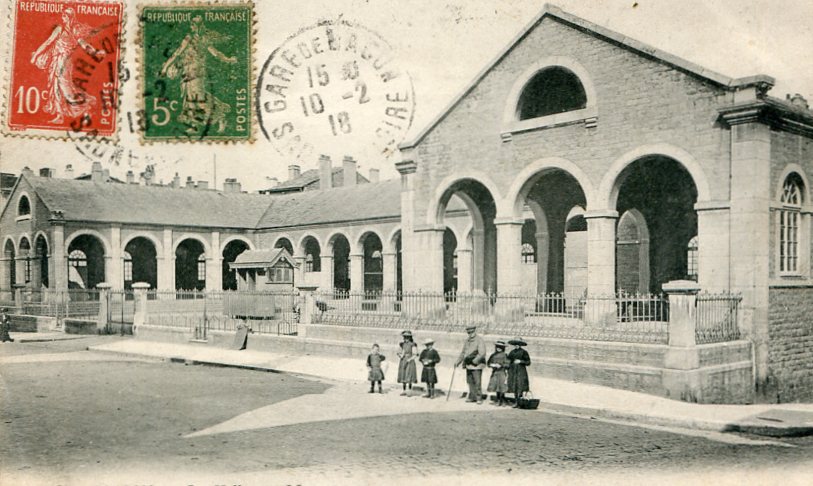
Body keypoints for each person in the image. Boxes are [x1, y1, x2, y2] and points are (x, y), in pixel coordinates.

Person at [159, 15, 237, 134]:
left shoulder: (204, 39)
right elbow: (177, 53)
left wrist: (228, 59)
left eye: (194, 25)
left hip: (198, 73)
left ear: (199, 26)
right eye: (191, 25)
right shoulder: (188, 38)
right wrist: (165, 67)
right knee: (189, 99)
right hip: (186, 72)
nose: (192, 27)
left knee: (199, 98)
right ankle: (194, 125)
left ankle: (221, 116)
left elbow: (215, 53)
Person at [30, 8, 106, 124]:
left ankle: (86, 103)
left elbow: (84, 44)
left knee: (66, 89)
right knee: (55, 87)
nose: (63, 18)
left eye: (66, 16)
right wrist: (36, 55)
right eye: (63, 16)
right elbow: (48, 42)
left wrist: (95, 52)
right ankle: (59, 115)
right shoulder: (59, 29)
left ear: (71, 17)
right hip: (56, 61)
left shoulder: (75, 31)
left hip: (65, 63)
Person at [454, 325, 486, 404]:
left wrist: (474, 361)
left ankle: (479, 398)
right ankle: (472, 397)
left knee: (477, 382)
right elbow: (463, 353)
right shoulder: (467, 341)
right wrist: (458, 362)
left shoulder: (479, 340)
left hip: (477, 366)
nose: (470, 334)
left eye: (471, 332)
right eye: (468, 332)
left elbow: (482, 353)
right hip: (468, 365)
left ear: (474, 331)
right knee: (470, 381)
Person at [507, 337, 531, 408]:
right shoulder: (512, 352)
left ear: (520, 345)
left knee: (520, 385)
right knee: (514, 385)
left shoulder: (524, 352)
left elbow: (528, 362)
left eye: (518, 344)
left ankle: (519, 402)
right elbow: (508, 360)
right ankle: (516, 401)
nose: (516, 345)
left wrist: (520, 361)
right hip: (513, 371)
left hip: (521, 371)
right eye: (515, 344)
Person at [487, 340, 509, 406]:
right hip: (495, 372)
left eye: (500, 347)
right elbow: (488, 363)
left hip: (502, 372)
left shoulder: (505, 355)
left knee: (502, 387)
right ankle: (498, 400)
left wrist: (501, 365)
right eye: (497, 347)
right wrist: (492, 365)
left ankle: (503, 400)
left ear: (503, 348)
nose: (498, 348)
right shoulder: (493, 355)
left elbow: (507, 364)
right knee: (496, 386)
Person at [397, 330, 418, 395]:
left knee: (409, 375)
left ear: (410, 337)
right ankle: (404, 390)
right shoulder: (402, 344)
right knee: (403, 375)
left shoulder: (413, 344)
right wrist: (400, 355)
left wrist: (410, 359)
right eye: (405, 337)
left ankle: (409, 391)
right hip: (403, 360)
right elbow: (399, 352)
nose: (406, 338)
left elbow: (415, 354)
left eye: (407, 337)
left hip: (410, 361)